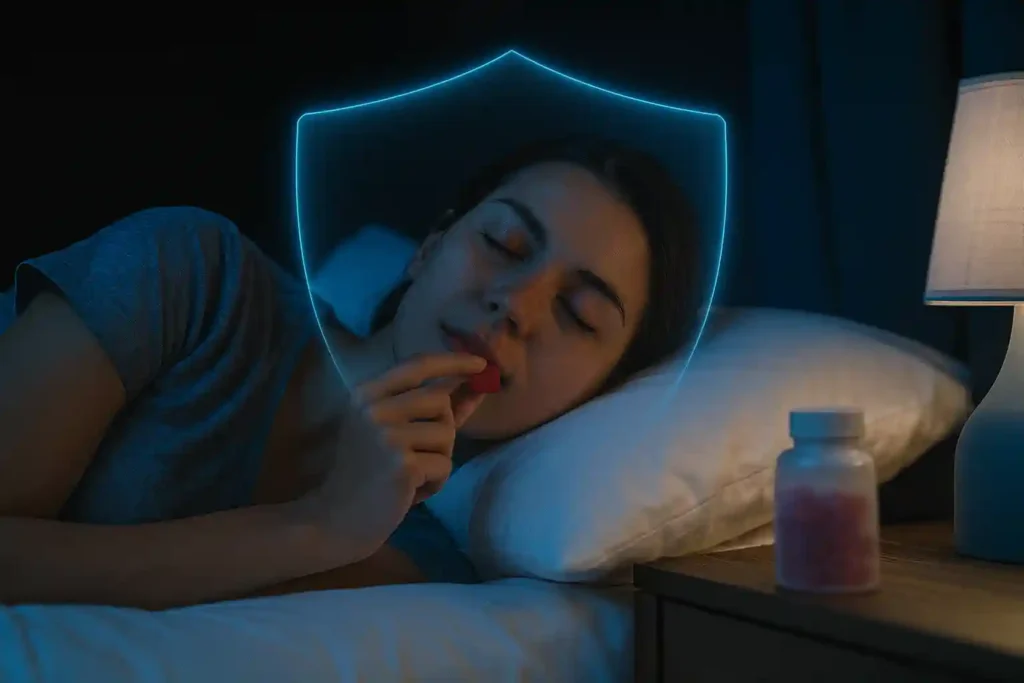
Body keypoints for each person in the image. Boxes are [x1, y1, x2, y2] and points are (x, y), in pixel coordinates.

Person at [0, 136, 701, 609]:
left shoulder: (430, 563)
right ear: (428, 249)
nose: (514, 305)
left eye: (578, 314)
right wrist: (317, 523)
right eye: (503, 242)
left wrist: (338, 532)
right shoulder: (196, 276)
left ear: (597, 396)